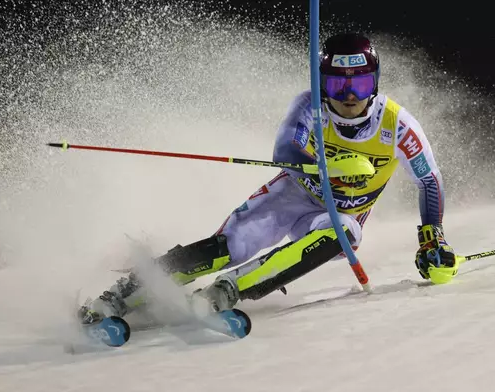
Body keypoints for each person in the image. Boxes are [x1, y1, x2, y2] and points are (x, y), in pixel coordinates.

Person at [78, 32, 457, 324]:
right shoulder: (310, 104)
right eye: (336, 83)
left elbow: (428, 180)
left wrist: (431, 238)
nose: (347, 95)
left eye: (357, 84)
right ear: (321, 81)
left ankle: (229, 289)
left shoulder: (398, 125)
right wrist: (327, 167)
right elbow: (285, 149)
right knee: (233, 245)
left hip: (335, 215)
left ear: (373, 82)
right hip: (290, 197)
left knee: (346, 234)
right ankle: (124, 294)